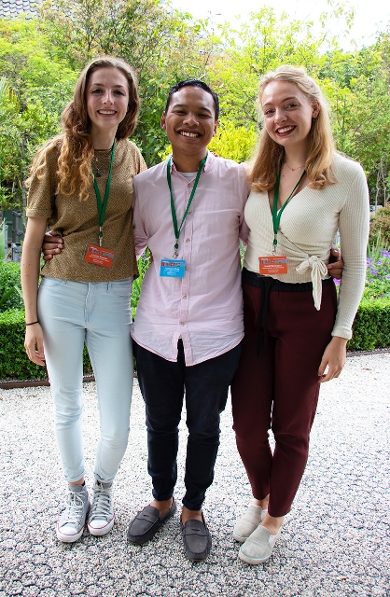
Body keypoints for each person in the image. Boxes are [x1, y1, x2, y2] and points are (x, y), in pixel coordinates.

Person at [41, 78, 344, 561]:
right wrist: (59, 244)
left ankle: (193, 509)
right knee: (160, 424)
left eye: (203, 114)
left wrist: (326, 257)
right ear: (164, 120)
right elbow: (127, 244)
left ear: (215, 126)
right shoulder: (142, 186)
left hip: (217, 333)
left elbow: (264, 239)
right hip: (156, 330)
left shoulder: (240, 180)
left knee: (205, 427)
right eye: (181, 111)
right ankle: (161, 499)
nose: (191, 121)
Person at [230, 65, 369, 565]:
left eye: (290, 104)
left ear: (314, 106)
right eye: (269, 109)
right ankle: (261, 494)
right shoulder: (256, 173)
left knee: (291, 426)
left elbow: (354, 266)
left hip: (307, 310)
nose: (279, 117)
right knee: (246, 423)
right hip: (249, 304)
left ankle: (273, 519)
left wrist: (341, 335)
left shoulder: (346, 175)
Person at [21, 56, 146, 544]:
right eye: (98, 91)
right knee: (66, 405)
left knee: (117, 416)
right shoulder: (55, 154)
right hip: (61, 296)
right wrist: (31, 320)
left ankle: (104, 486)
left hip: (114, 296)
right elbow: (33, 243)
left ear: (129, 101)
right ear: (84, 96)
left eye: (118, 91)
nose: (108, 100)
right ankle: (76, 493)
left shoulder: (132, 156)